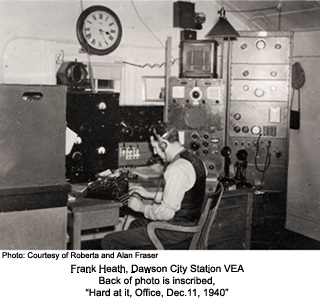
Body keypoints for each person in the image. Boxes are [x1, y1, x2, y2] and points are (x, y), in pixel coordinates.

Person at [101, 122, 207, 249]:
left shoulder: (176, 169)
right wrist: (149, 195)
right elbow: (183, 196)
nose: (155, 153)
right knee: (136, 224)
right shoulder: (196, 161)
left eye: (155, 148)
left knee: (109, 241)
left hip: (175, 233)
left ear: (164, 145)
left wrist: (141, 207)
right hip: (188, 227)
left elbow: (167, 213)